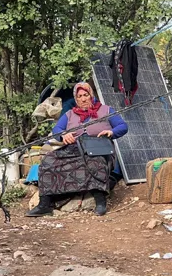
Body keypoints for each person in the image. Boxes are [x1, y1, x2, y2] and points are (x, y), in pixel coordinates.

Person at [27, 82, 128, 217]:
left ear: (91, 95)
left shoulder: (105, 110)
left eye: (86, 95)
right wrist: (63, 135)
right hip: (73, 150)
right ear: (76, 99)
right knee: (48, 161)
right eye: (79, 96)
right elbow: (56, 130)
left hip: (98, 149)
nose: (83, 99)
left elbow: (122, 126)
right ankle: (45, 204)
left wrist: (111, 132)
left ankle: (100, 201)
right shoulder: (69, 114)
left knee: (95, 162)